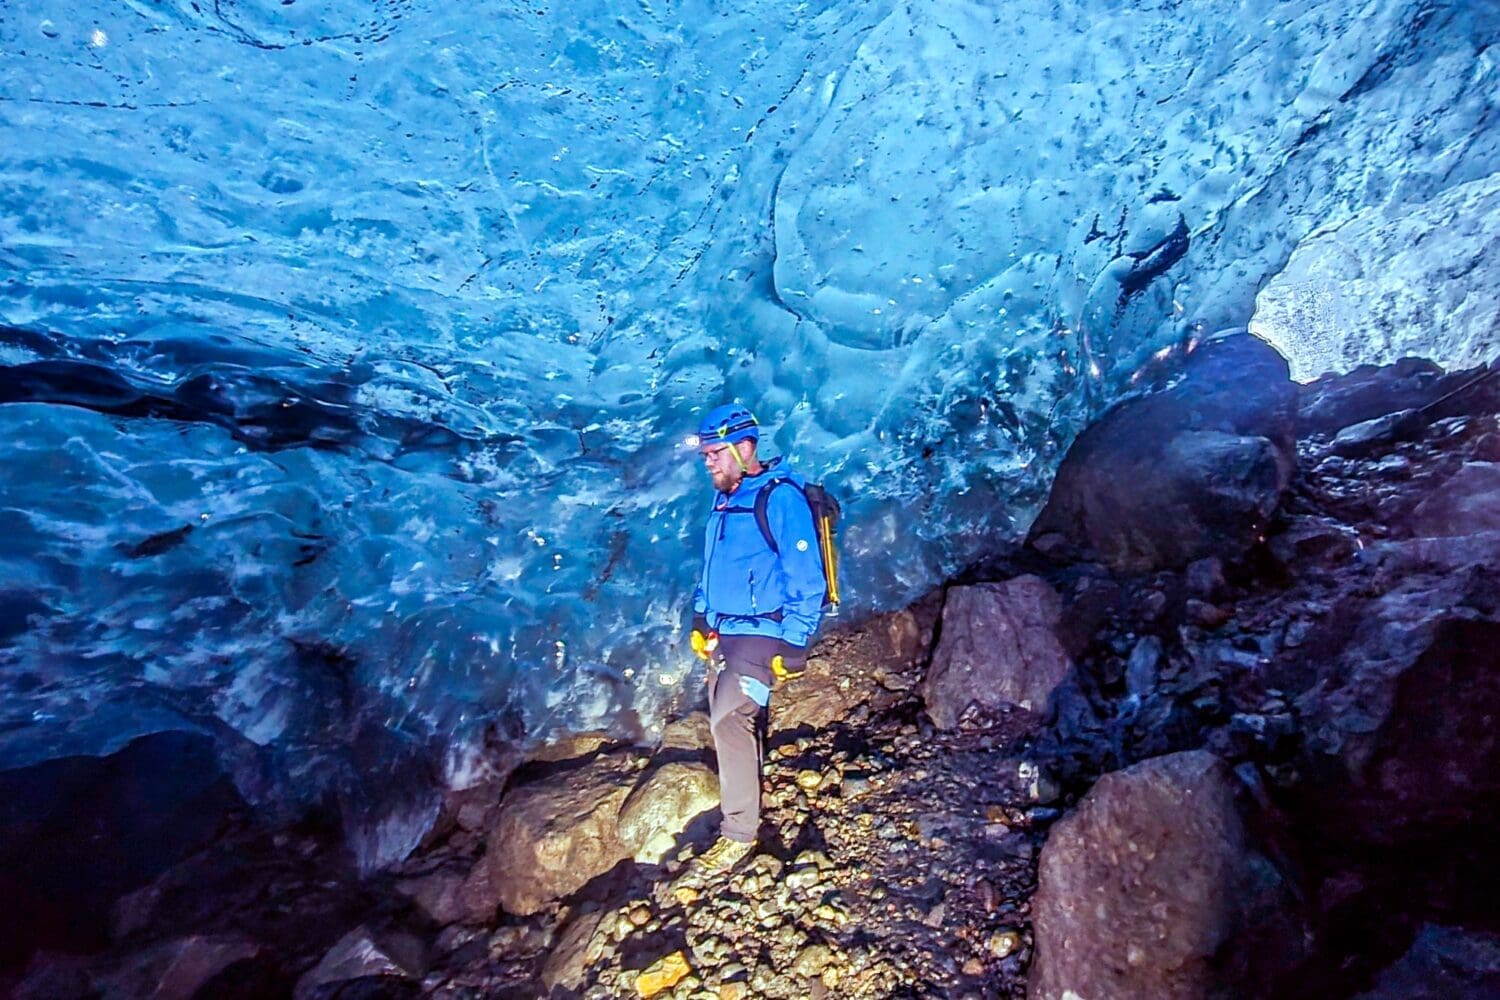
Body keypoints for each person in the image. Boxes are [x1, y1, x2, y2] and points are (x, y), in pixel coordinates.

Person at [687, 402, 828, 874]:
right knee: (732, 719)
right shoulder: (725, 498)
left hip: (762, 632)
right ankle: (749, 799)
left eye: (715, 452)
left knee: (729, 721)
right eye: (706, 453)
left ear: (745, 447)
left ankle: (739, 834)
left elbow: (806, 578)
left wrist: (796, 643)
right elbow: (712, 566)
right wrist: (701, 616)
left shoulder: (780, 498)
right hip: (724, 630)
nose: (708, 461)